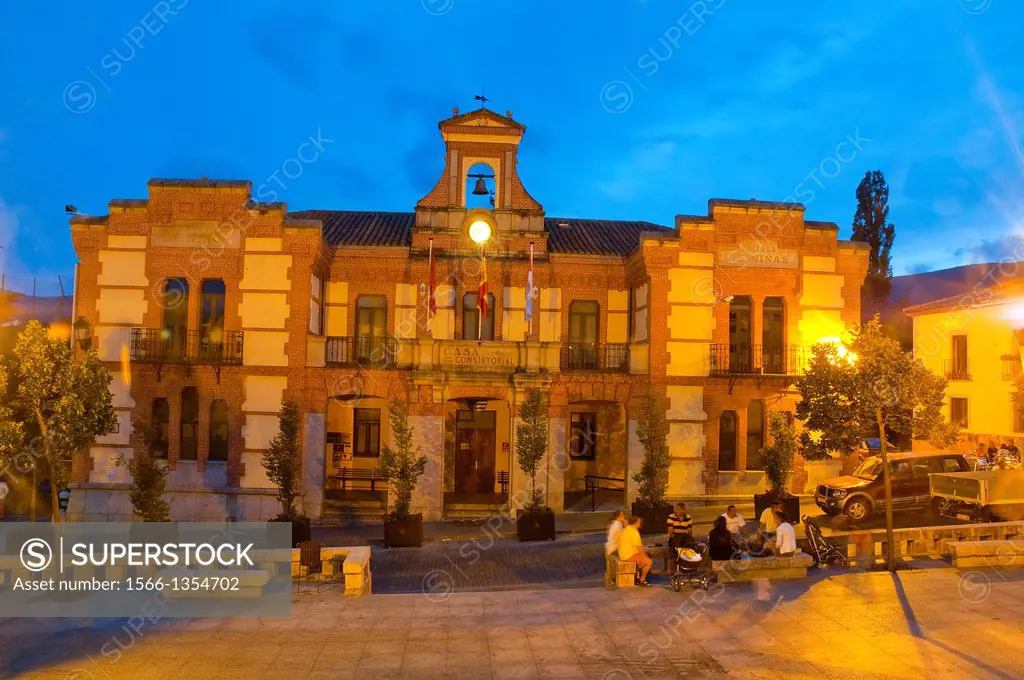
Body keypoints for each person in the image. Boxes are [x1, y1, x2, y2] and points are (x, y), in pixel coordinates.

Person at [619, 516, 653, 587]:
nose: (641, 524)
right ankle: (642, 579)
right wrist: (644, 556)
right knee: (648, 561)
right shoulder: (634, 531)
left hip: (623, 553)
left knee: (646, 556)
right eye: (640, 522)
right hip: (628, 555)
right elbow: (639, 547)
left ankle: (637, 575)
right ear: (637, 523)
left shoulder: (627, 529)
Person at [605, 511, 626, 587]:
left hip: (610, 547)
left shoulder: (615, 524)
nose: (624, 516)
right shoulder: (618, 526)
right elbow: (624, 539)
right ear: (618, 517)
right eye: (622, 515)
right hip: (614, 549)